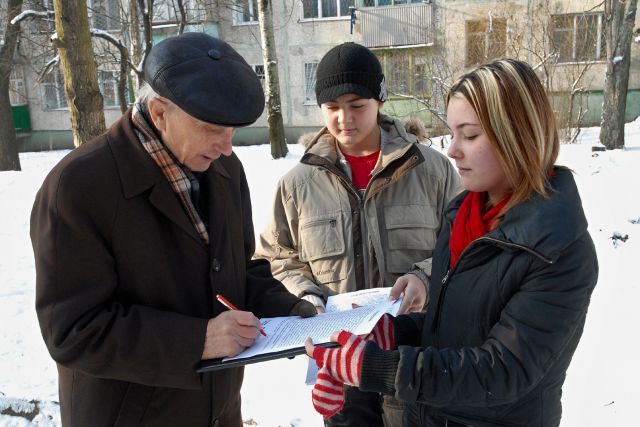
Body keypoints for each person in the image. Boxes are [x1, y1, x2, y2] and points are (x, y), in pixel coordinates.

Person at [30, 32, 315, 427]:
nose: (227, 147)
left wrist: (291, 308)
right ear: (160, 112)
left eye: (232, 131)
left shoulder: (225, 170)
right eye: (213, 129)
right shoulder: (79, 186)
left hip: (218, 411)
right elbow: (74, 331)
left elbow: (236, 269)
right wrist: (197, 341)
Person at [305, 58, 599, 426]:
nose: (453, 150)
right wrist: (389, 333)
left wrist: (377, 367)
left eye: (470, 135)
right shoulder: (463, 217)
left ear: (518, 135)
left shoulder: (557, 249)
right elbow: (449, 328)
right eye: (453, 133)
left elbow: (501, 370)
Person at [255, 42, 460, 426]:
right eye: (332, 108)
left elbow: (464, 245)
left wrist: (424, 276)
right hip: (339, 358)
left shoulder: (432, 171)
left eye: (356, 105)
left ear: (379, 101)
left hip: (414, 357)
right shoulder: (297, 183)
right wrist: (306, 296)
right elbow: (274, 257)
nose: (344, 118)